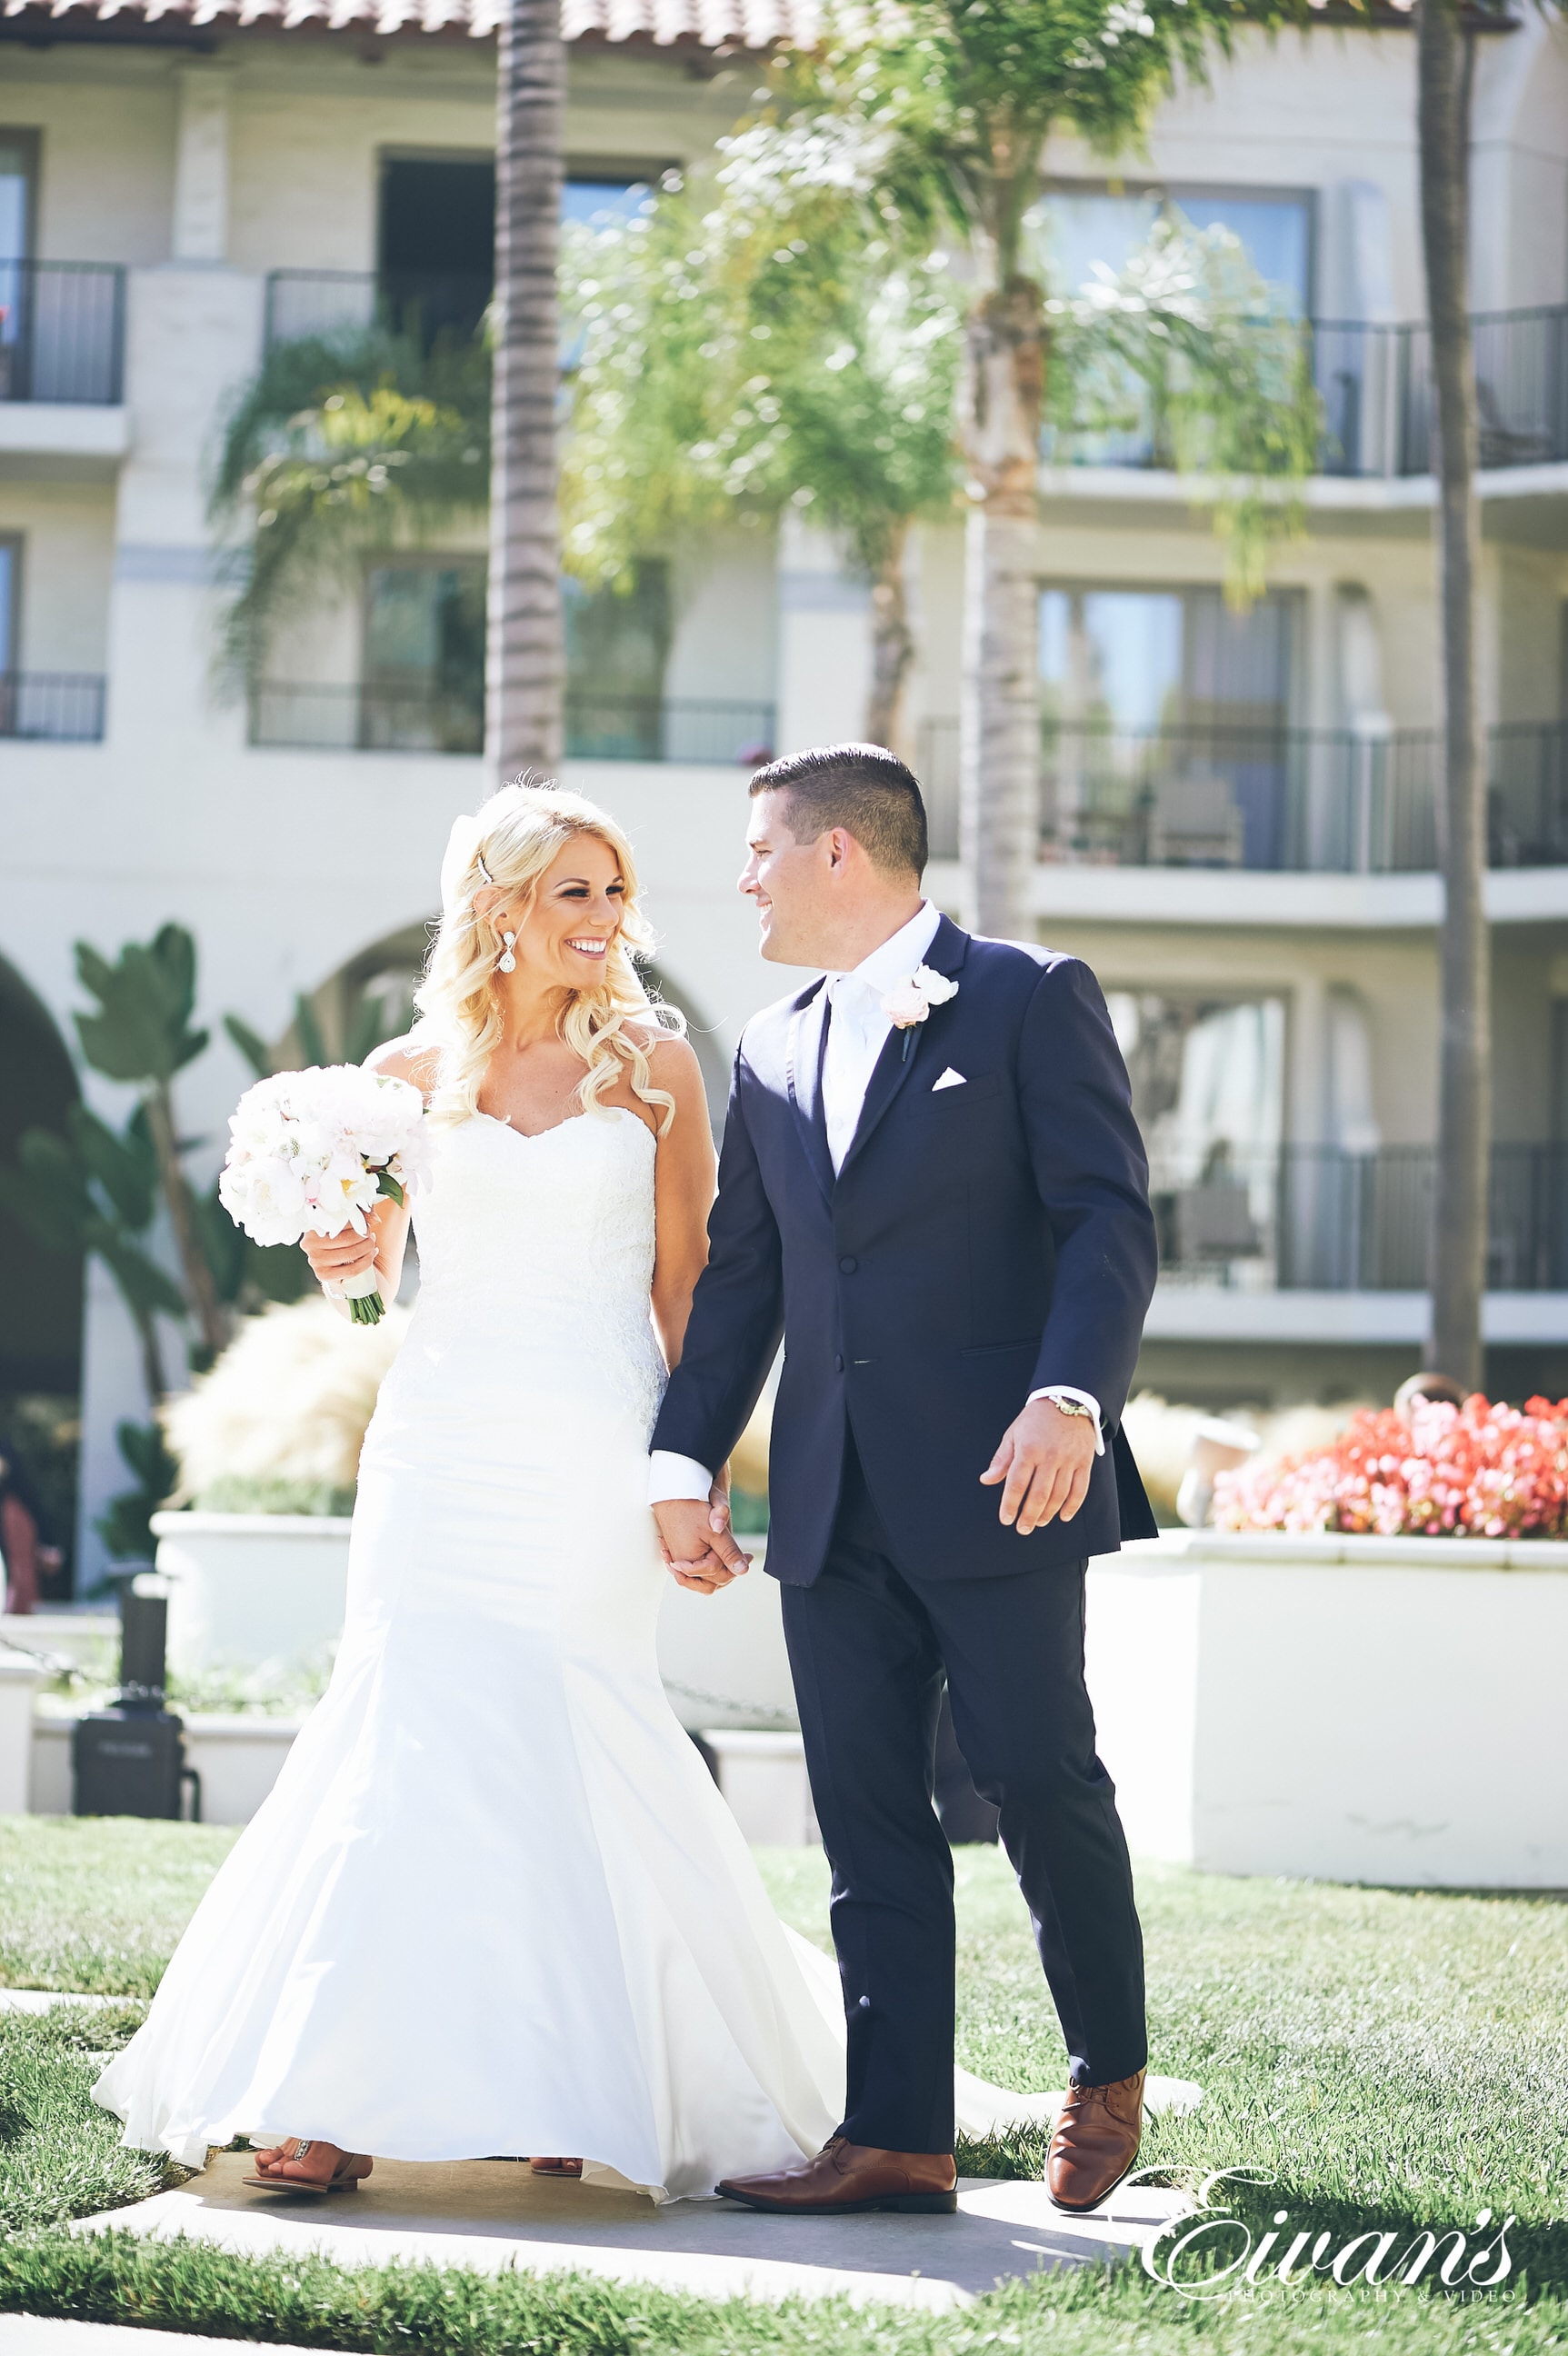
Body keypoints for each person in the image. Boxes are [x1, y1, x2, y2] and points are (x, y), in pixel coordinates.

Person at [92, 778, 1042, 2204]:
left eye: (615, 893)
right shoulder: (406, 1077)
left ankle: (574, 2079)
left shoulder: (656, 1070)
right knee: (404, 1729)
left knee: (571, 1726)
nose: (607, 921)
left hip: (594, 1437)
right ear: (501, 908)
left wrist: (693, 1471)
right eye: (574, 895)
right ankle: (330, 2096)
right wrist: (343, 1273)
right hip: (441, 1436)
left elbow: (691, 1293)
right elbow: (378, 1293)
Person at [649, 744, 1160, 2217]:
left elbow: (1103, 1221)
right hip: (828, 1492)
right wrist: (683, 1461)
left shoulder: (1026, 996)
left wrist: (1070, 1398)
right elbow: (744, 1281)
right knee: (864, 1812)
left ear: (836, 855)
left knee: (1035, 1776)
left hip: (1009, 1477)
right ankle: (893, 2136)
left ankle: (1105, 2065)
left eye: (759, 851)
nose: (740, 878)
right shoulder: (766, 1044)